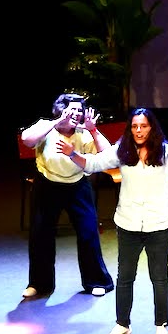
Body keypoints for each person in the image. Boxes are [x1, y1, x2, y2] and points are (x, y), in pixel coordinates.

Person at [59, 107, 168, 334]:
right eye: (134, 126)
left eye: (143, 126)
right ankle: (122, 325)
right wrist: (72, 154)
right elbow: (92, 164)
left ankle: (161, 326)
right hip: (128, 223)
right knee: (125, 277)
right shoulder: (123, 149)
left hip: (160, 224)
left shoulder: (167, 151)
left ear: (152, 127)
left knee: (159, 278)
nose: (139, 131)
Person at [19, 93, 115, 300]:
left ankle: (97, 281)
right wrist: (56, 122)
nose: (77, 114)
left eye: (80, 110)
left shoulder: (83, 133)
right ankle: (39, 284)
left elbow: (108, 156)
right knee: (41, 235)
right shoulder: (46, 126)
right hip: (47, 184)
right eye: (72, 109)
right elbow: (26, 139)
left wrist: (93, 130)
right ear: (60, 110)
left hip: (77, 185)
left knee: (88, 232)